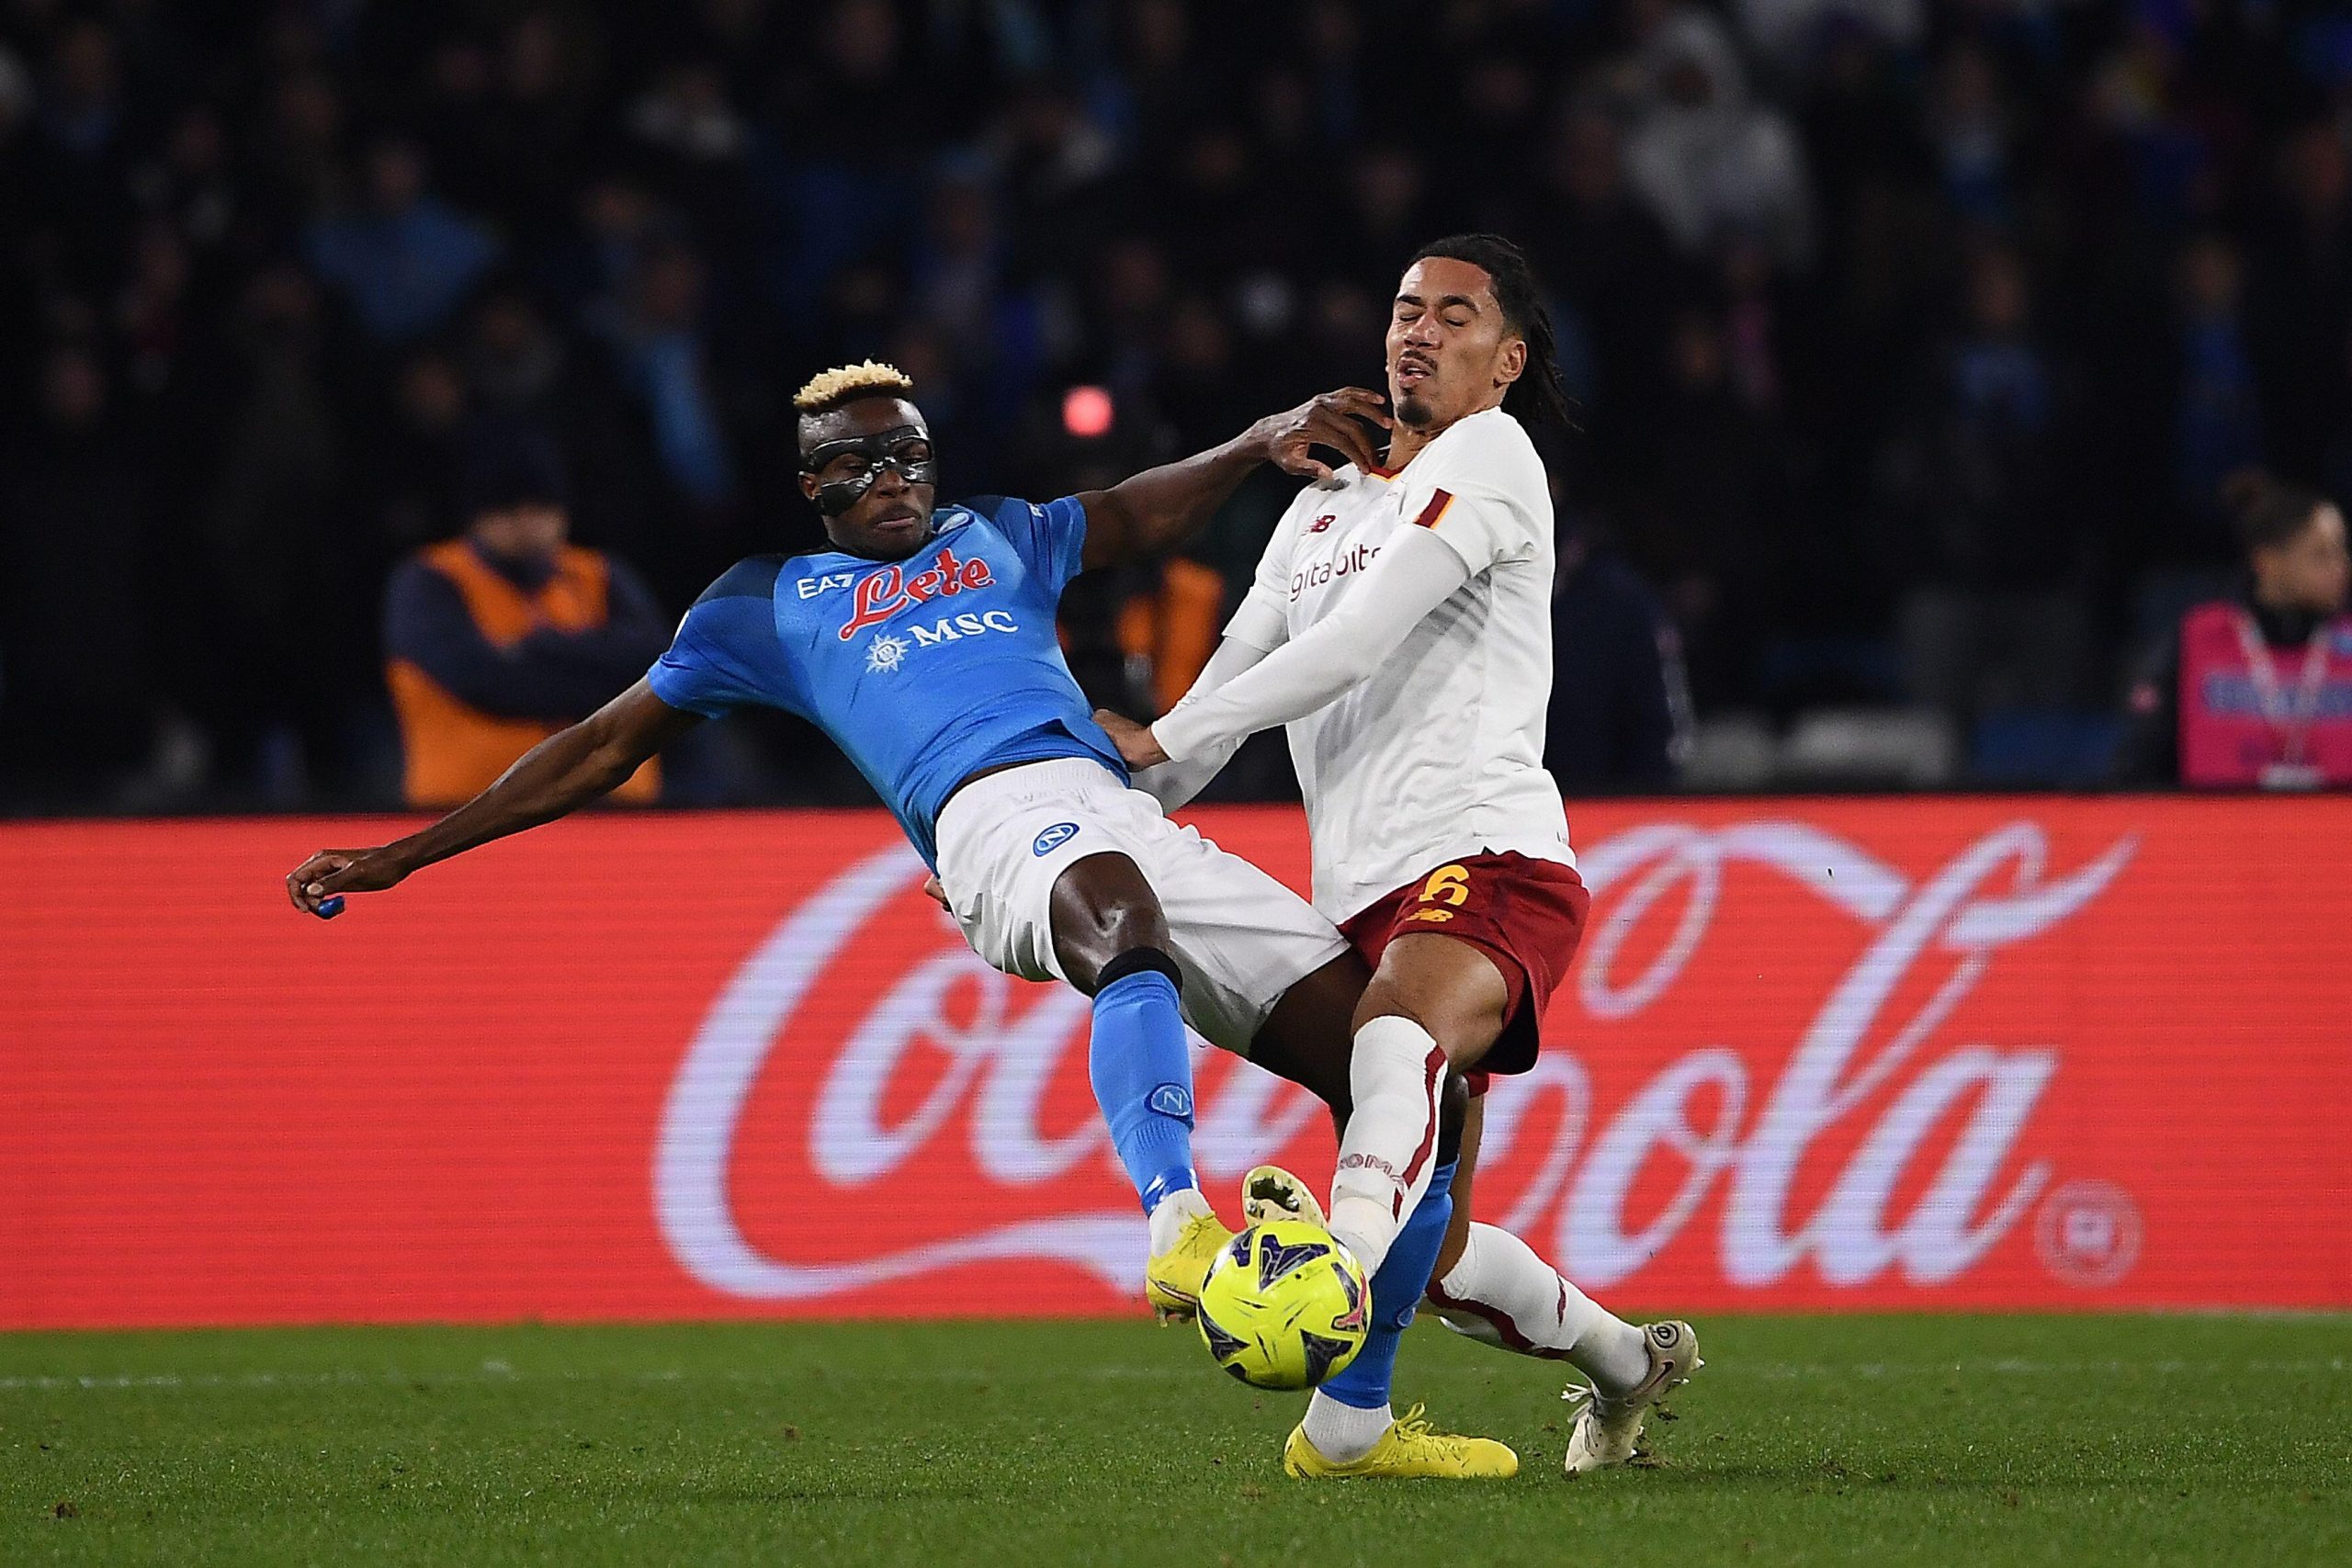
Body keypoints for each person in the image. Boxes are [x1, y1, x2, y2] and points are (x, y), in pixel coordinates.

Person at [1100, 236, 1701, 1478]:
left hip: (1486, 856)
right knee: (1441, 1243)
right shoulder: (1322, 503)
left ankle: (1326, 1273)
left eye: (1456, 316)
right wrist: (1076, 822)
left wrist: (1166, 729)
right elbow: (1222, 705)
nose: (1418, 330)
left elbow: (1360, 643)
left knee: (1387, 1051)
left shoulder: (1495, 456)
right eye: (1404, 309)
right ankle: (1632, 1362)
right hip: (1363, 899)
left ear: (1507, 360)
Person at [382, 430, 672, 807]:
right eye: (507, 511)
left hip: (613, 812)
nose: (527, 524)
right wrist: (609, 692)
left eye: (542, 509)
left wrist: (535, 648)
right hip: (466, 815)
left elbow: (662, 664)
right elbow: (484, 683)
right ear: (476, 518)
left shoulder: (598, 574)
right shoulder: (429, 580)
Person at [2116, 472, 2352, 788]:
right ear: (2268, 562)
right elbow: (2138, 763)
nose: (2341, 567)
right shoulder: (2196, 637)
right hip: (2216, 832)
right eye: (2320, 554)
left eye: (2342, 550)